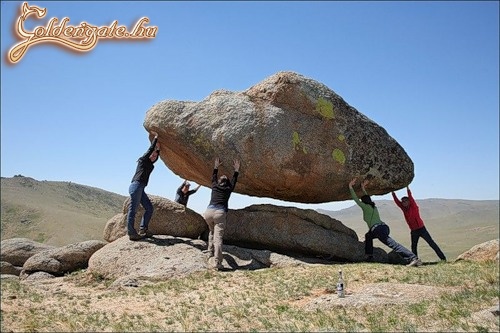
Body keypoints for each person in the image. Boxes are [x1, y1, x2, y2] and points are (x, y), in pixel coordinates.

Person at [349, 178, 422, 267]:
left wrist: (350, 187)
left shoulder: (365, 207)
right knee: (368, 236)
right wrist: (362, 187)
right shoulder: (373, 206)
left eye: (362, 201)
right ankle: (369, 256)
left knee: (393, 244)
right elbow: (367, 198)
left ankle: (413, 258)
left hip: (378, 230)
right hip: (383, 227)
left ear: (363, 202)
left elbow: (356, 199)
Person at [203, 157, 240, 270]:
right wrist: (236, 170)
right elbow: (234, 180)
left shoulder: (215, 186)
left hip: (208, 212)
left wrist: (215, 167)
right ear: (227, 183)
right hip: (219, 212)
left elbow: (213, 177)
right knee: (218, 238)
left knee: (211, 230)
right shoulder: (229, 188)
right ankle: (217, 262)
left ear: (219, 182)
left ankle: (209, 252)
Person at [392, 186, 447, 261]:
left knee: (431, 243)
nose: (403, 202)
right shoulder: (404, 209)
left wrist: (407, 189)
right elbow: (397, 202)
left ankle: (443, 258)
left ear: (409, 201)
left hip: (421, 229)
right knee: (414, 246)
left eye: (405, 201)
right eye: (403, 201)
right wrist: (393, 193)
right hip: (413, 231)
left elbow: (411, 197)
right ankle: (415, 261)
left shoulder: (414, 206)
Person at [126, 132, 161, 241]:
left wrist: (158, 151)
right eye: (152, 154)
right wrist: (155, 139)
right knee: (133, 210)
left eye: (155, 156)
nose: (153, 156)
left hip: (140, 188)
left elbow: (155, 155)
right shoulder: (142, 160)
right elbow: (149, 151)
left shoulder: (151, 165)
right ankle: (131, 233)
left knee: (149, 208)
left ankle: (143, 229)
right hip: (136, 186)